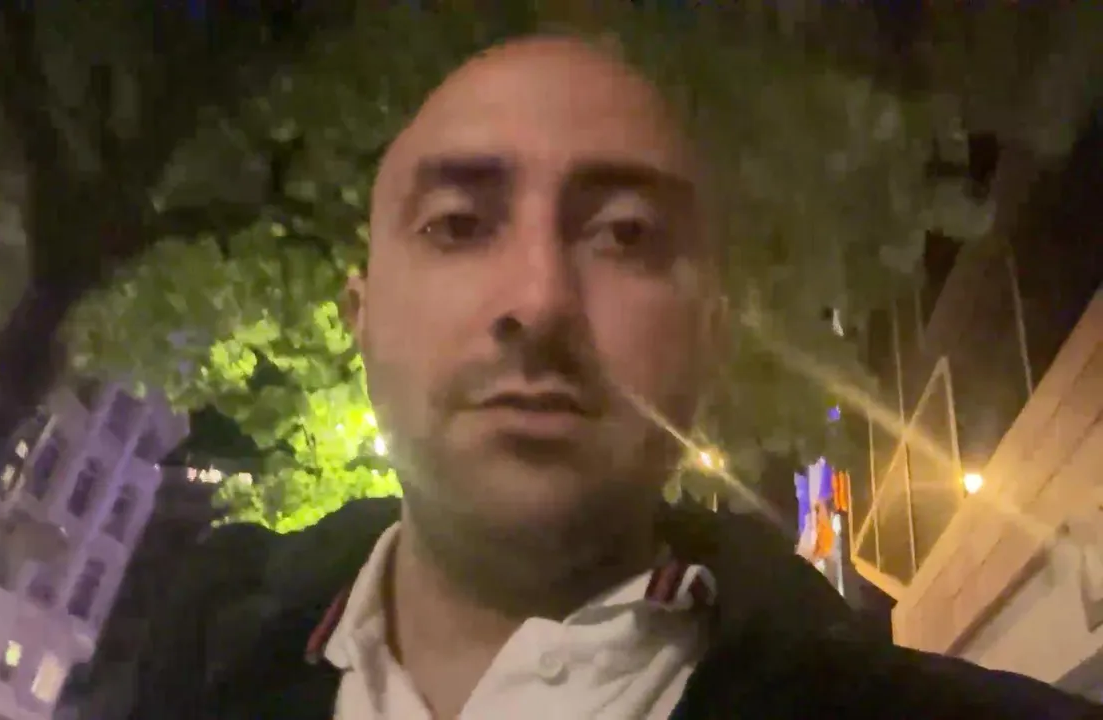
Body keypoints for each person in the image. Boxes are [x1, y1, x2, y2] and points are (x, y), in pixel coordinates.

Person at [128, 36, 1101, 719]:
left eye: (625, 236)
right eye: (458, 224)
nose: (539, 299)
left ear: (712, 340)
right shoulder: (176, 670)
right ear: (362, 316)